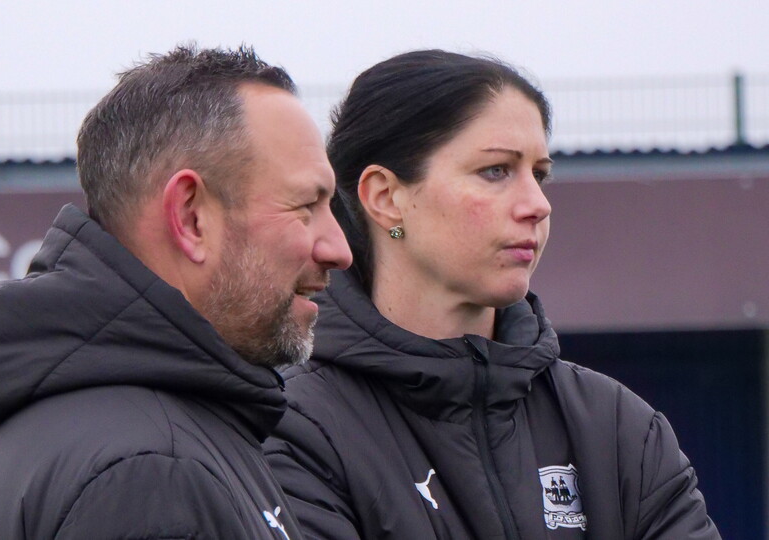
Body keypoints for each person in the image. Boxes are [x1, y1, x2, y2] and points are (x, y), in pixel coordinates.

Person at [263, 50, 720, 539]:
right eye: (496, 170)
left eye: (539, 174)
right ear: (386, 196)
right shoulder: (292, 429)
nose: (537, 205)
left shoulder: (618, 427)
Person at [0, 45, 351, 539]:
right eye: (306, 206)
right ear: (191, 217)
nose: (338, 249)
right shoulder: (153, 472)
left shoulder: (127, 429)